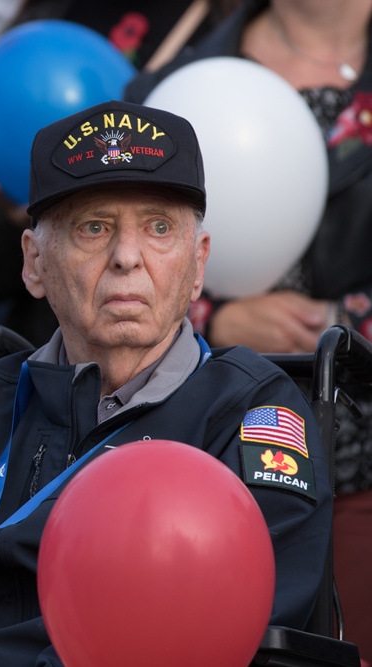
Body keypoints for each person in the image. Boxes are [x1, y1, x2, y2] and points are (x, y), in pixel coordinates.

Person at [0, 100, 332, 667]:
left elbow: (235, 629)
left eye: (157, 227)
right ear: (34, 264)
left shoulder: (249, 415)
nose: (127, 257)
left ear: (198, 264)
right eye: (93, 227)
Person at [125, 0, 372, 658]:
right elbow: (110, 266)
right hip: (196, 467)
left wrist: (340, 321)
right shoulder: (170, 88)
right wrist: (213, 315)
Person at [0, 0, 237, 348]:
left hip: (191, 366)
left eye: (158, 227)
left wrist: (215, 317)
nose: (126, 257)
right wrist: (31, 223)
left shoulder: (230, 35)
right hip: (53, 351)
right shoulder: (40, 27)